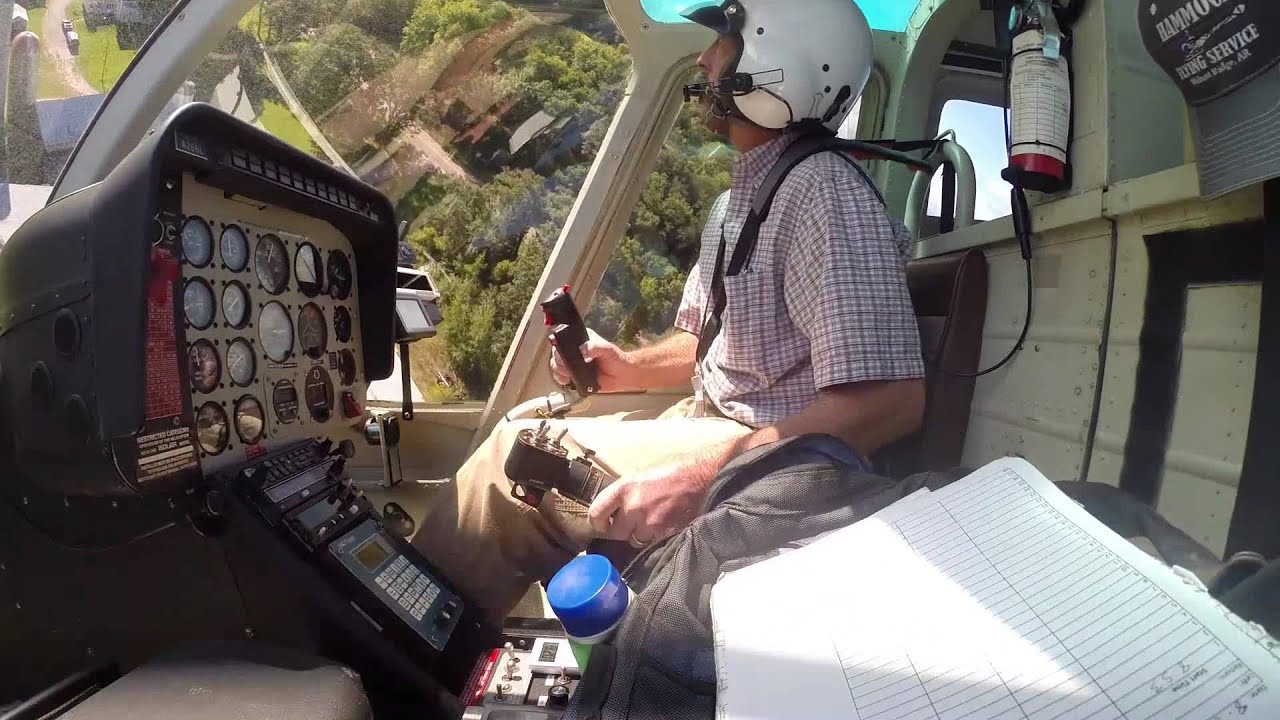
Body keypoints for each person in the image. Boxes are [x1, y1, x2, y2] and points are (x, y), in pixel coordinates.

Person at [412, 0, 927, 621]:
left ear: (781, 65)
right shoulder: (739, 202)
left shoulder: (826, 192)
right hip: (719, 420)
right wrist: (625, 367)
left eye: (724, 44)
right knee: (527, 419)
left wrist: (698, 480)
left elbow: (889, 403)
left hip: (781, 469)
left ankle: (406, 662)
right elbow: (705, 344)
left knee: (511, 464)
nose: (706, 59)